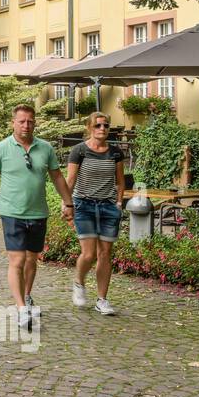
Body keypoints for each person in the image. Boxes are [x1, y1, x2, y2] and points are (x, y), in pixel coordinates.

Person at [0, 105, 75, 330]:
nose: (26, 125)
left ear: (35, 122)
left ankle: (27, 296)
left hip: (38, 211)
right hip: (12, 212)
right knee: (18, 260)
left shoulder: (45, 148)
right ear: (13, 122)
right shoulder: (1, 148)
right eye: (21, 121)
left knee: (32, 259)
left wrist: (68, 202)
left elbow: (58, 177)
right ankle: (21, 308)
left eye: (30, 121)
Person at [64, 113, 125, 316]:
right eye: (98, 125)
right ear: (90, 127)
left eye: (106, 125)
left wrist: (118, 203)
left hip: (108, 207)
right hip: (84, 205)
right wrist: (67, 204)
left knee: (105, 254)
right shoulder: (79, 151)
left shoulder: (115, 153)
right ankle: (79, 282)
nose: (102, 128)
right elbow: (70, 180)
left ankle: (102, 300)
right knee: (89, 254)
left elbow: (120, 181)